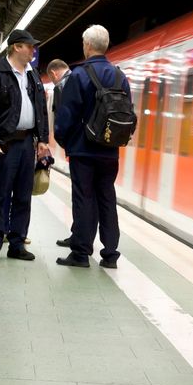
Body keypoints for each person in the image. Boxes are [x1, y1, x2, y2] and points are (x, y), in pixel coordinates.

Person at [54, 24, 129, 268]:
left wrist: (64, 141)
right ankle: (110, 254)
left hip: (83, 150)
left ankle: (81, 253)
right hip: (110, 151)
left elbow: (67, 114)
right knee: (107, 197)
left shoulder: (79, 75)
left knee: (84, 198)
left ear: (87, 46)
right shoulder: (120, 76)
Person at [0, 29, 51, 260]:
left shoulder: (33, 75)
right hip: (6, 143)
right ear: (17, 47)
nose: (33, 50)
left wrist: (43, 139)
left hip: (27, 144)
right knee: (0, 193)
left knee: (23, 195)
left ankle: (17, 244)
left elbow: (41, 109)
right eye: (30, 46)